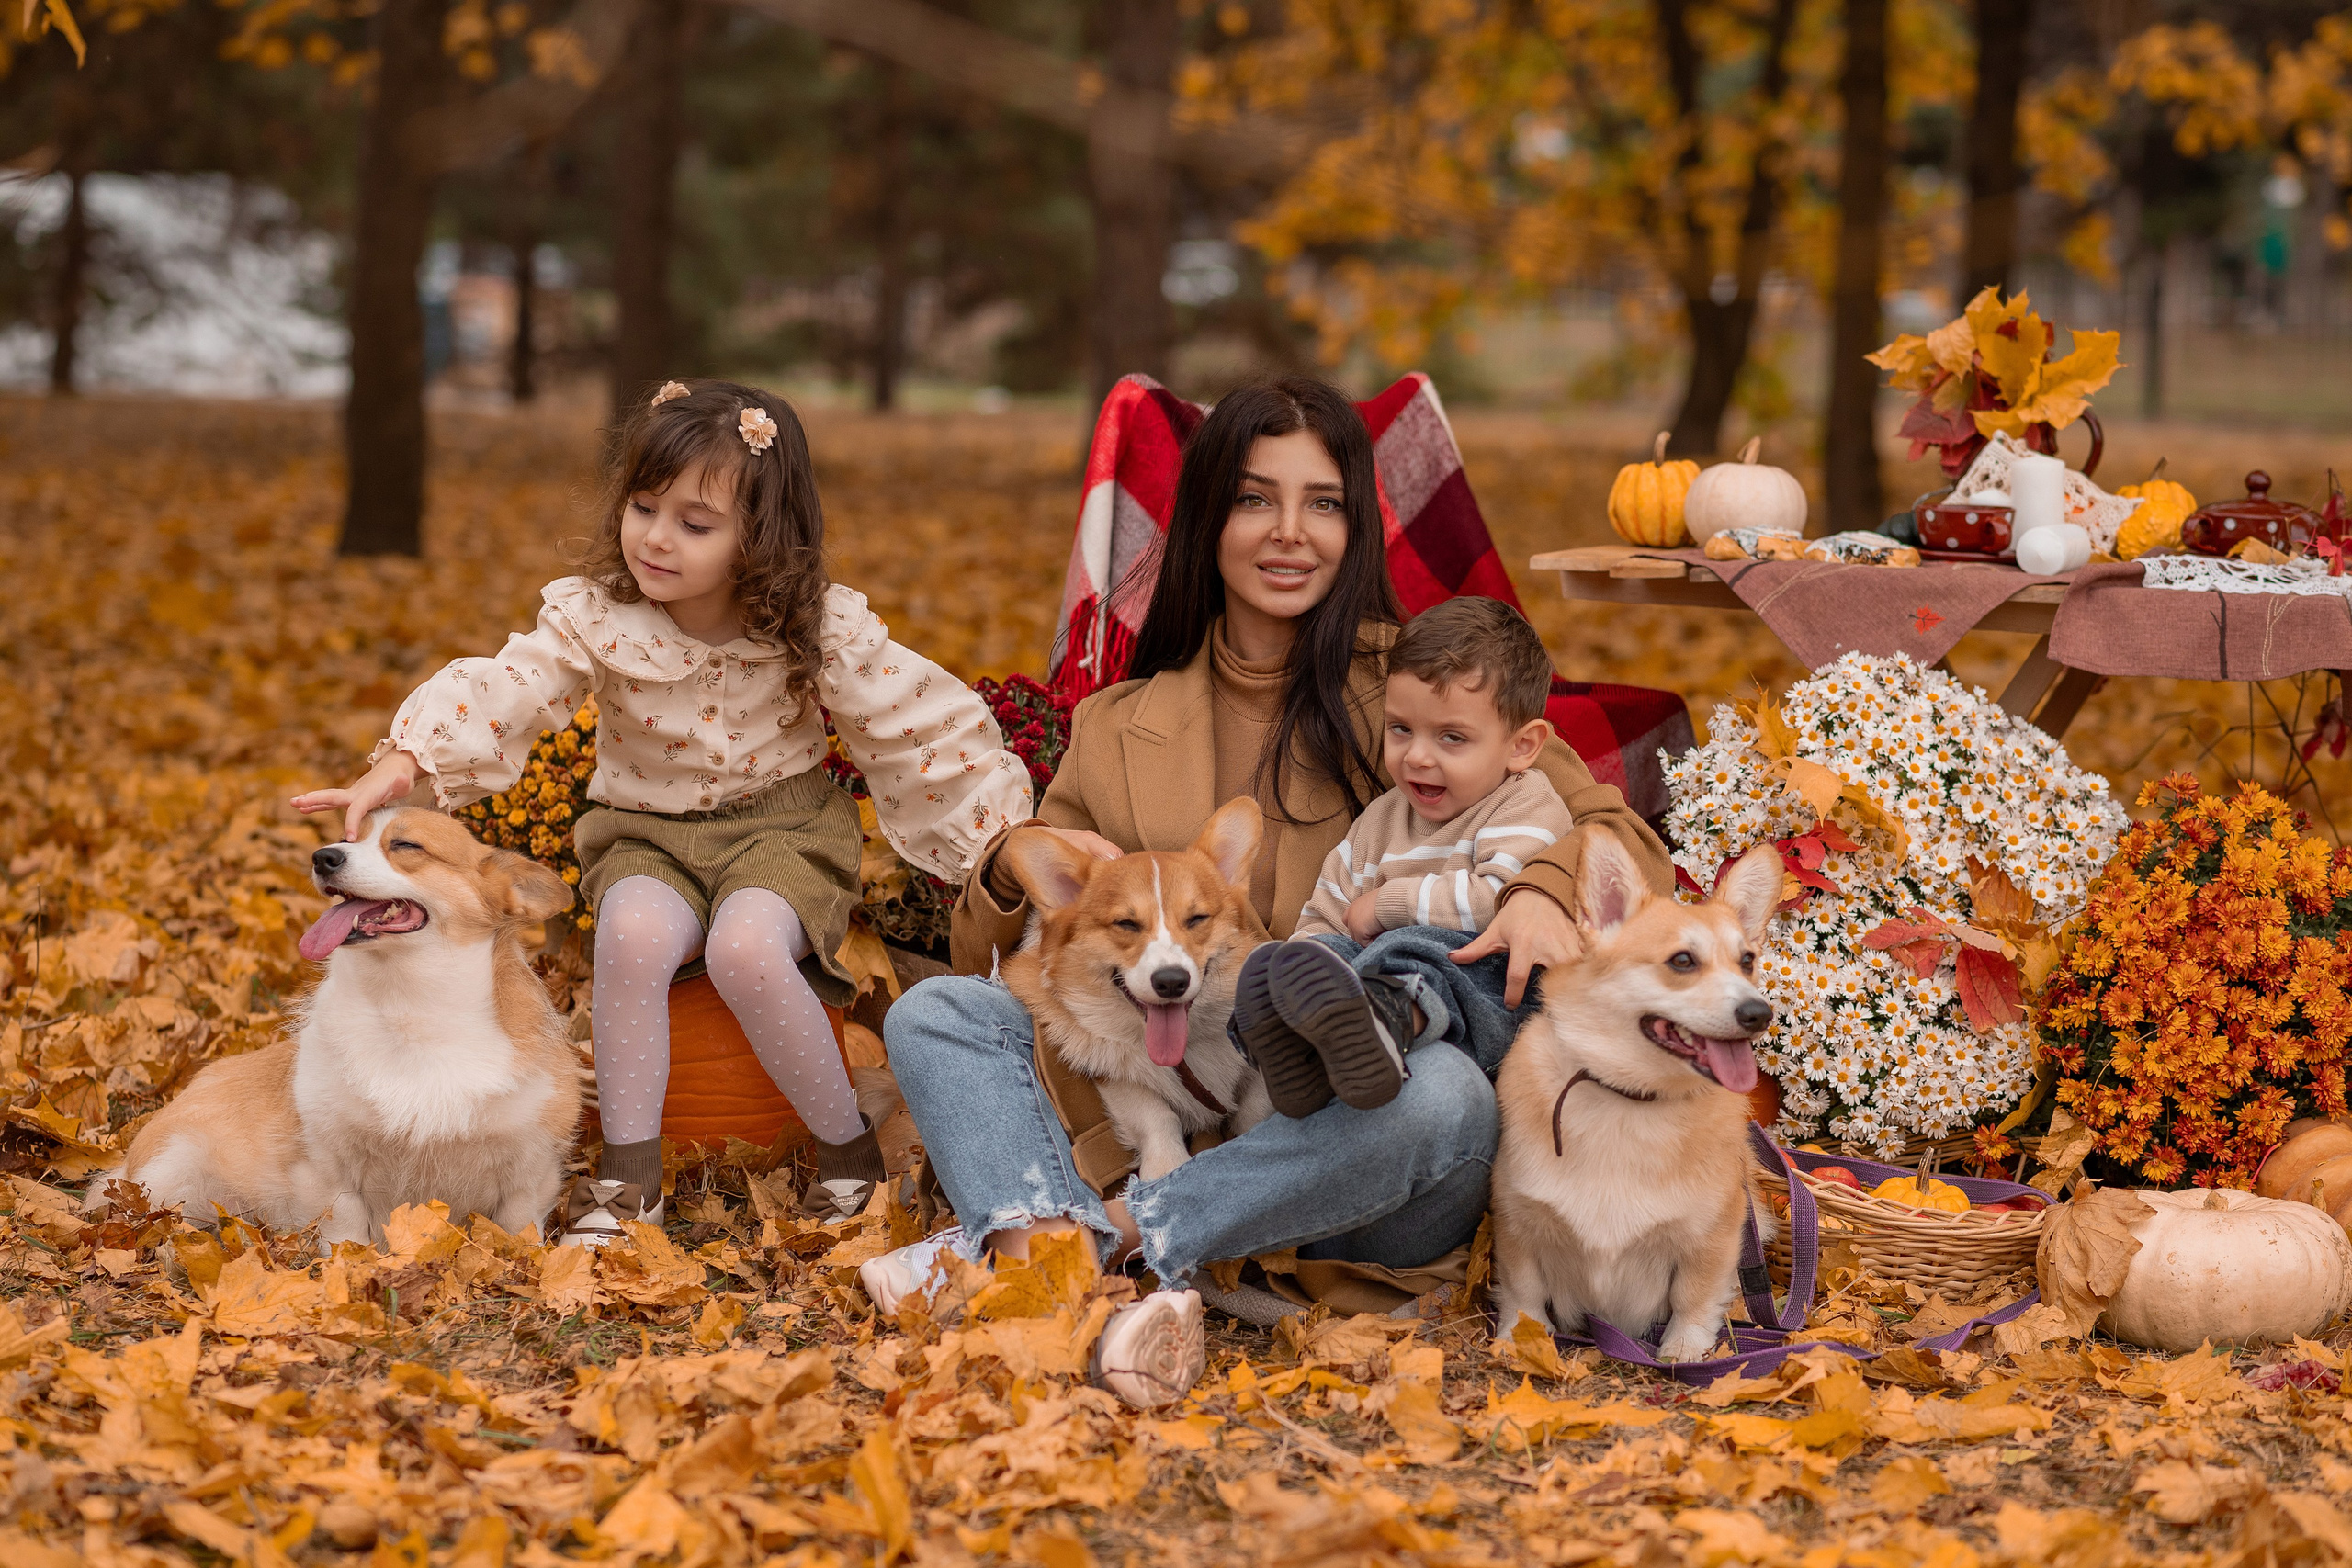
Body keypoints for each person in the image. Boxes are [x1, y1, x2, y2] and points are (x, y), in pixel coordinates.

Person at [868, 376, 1674, 1367]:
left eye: (1323, 503)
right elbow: (1007, 949)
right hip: (1153, 1107)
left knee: (1449, 1091)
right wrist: (1007, 862)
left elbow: (1612, 828)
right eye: (1255, 498)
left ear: (1355, 527)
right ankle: (1079, 1253)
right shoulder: (1118, 721)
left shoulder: (1419, 686)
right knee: (937, 1012)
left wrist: (1540, 889)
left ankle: (1098, 1241)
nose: (1289, 532)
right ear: (1207, 517)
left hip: (1353, 1161)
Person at [292, 378, 1034, 1239]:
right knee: (633, 937)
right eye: (644, 506)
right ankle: (629, 1179)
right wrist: (407, 758)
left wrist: (1007, 830)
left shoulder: (810, 623)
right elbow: (512, 684)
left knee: (748, 950)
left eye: (695, 522)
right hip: (646, 833)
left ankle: (846, 1153)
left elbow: (909, 716)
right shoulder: (598, 618)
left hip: (781, 831)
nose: (657, 537)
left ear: (760, 536)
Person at [1237, 596, 1577, 1117]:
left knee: (1425, 946)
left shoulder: (1526, 803)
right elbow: (1328, 911)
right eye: (1401, 729)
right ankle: (1301, 1046)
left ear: (1522, 746)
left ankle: (1382, 1018)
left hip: (1492, 1014)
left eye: (1451, 737)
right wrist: (1302, 962)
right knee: (1317, 956)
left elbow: (1497, 905)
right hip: (1376, 1014)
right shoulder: (1381, 820)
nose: (1417, 756)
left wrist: (1386, 906)